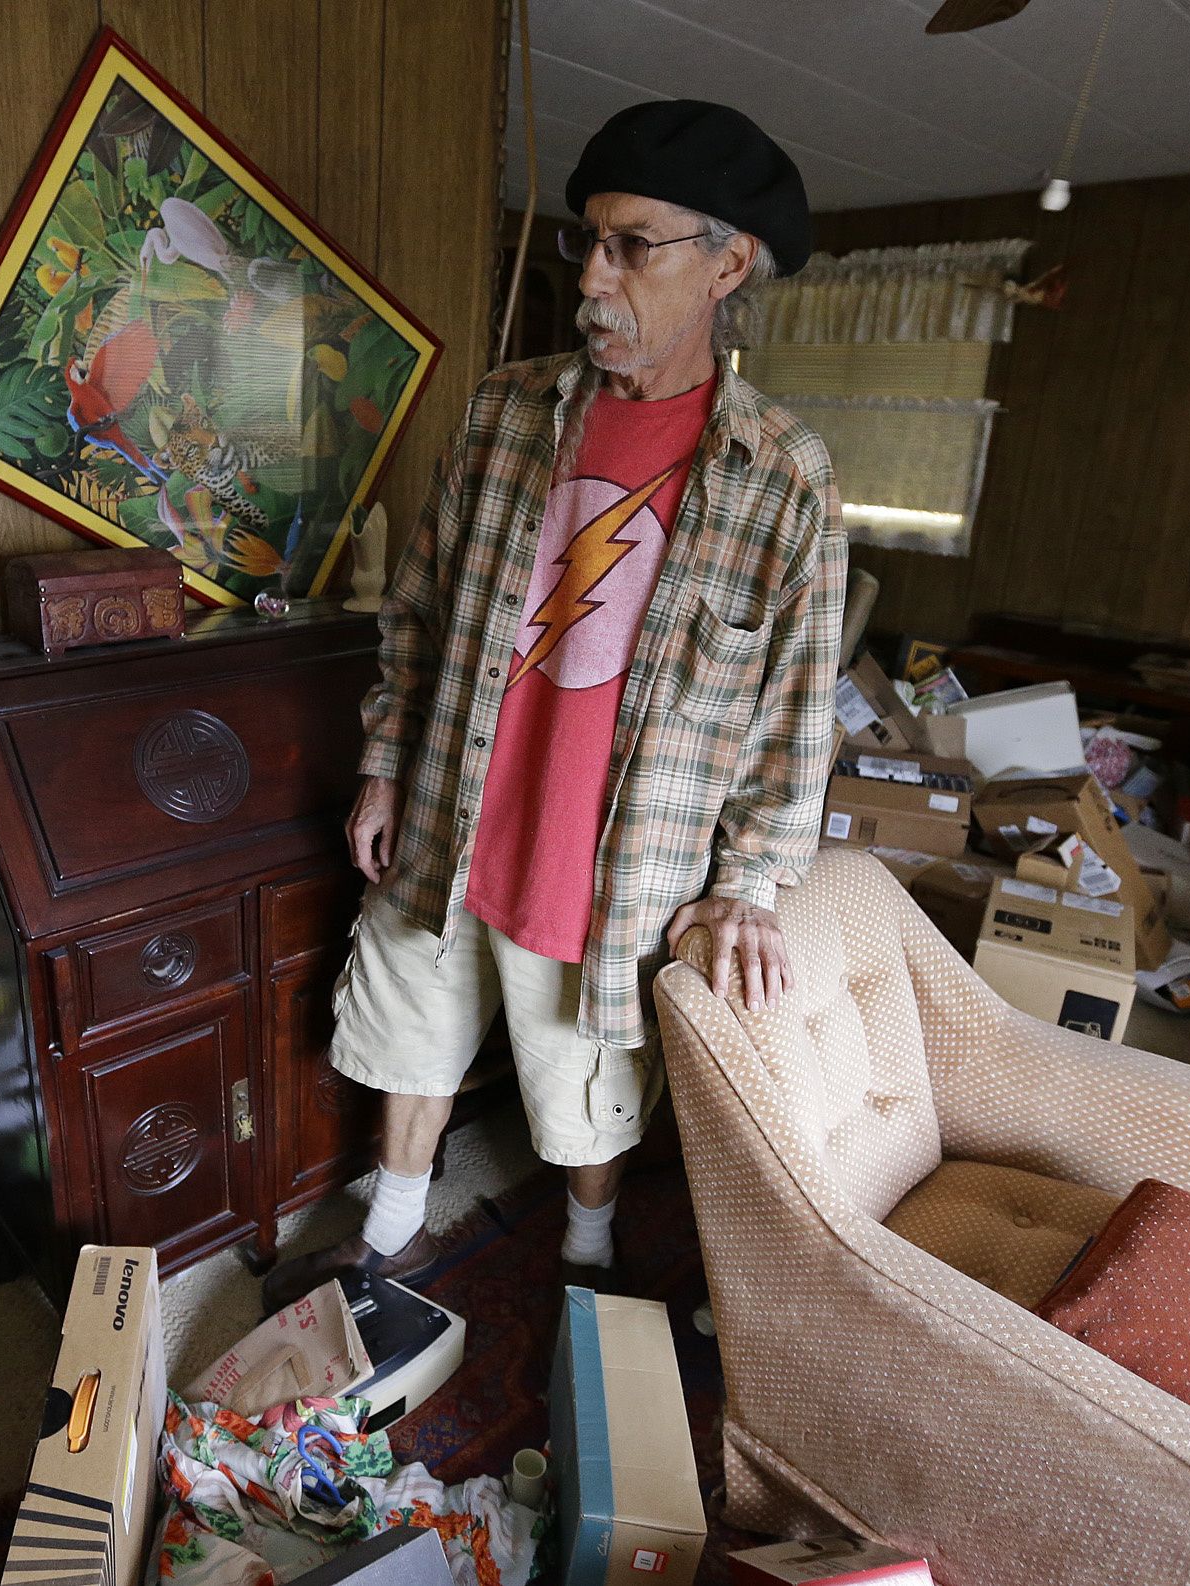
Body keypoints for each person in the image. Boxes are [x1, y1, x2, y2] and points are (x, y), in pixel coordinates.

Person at [261, 98, 847, 1312]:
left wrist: (751, 882)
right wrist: (384, 762)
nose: (594, 274)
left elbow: (797, 715)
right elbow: (417, 609)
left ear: (727, 262)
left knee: (585, 1081)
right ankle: (395, 1231)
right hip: (455, 804)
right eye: (590, 239)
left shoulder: (781, 475)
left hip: (615, 855)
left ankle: (587, 1257)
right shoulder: (505, 410)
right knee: (410, 1020)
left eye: (635, 244)